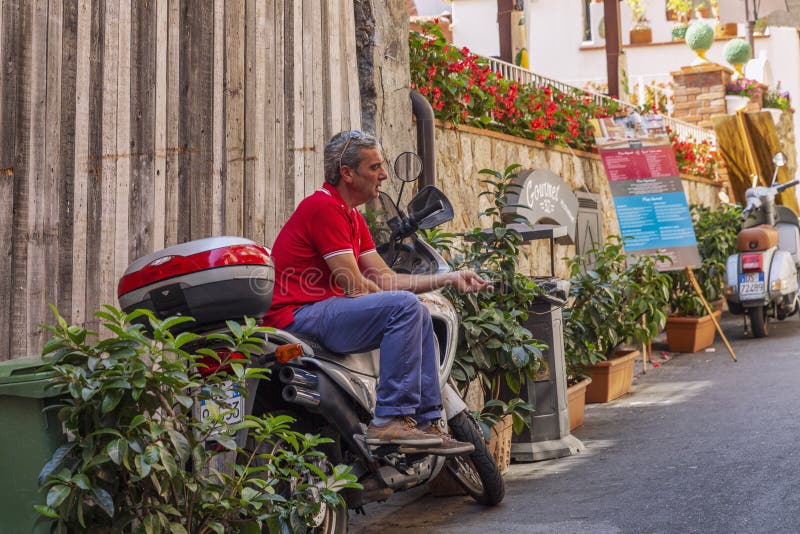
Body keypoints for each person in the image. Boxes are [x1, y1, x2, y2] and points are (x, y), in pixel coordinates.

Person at [262, 130, 489, 455]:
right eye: (374, 167)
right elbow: (355, 285)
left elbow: (385, 279)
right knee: (406, 308)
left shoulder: (352, 216)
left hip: (323, 311)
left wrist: (450, 278)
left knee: (417, 310)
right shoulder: (323, 208)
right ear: (347, 173)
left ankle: (426, 423)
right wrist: (402, 300)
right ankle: (390, 421)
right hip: (298, 316)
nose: (383, 175)